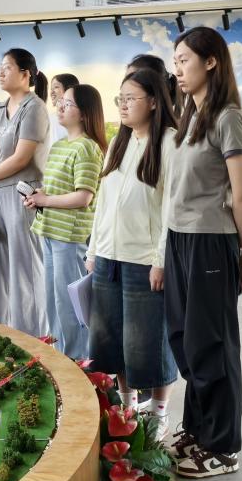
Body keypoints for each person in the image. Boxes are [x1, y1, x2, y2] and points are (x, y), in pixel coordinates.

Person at [163, 27, 242, 479]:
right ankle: (199, 429)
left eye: (185, 60)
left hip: (211, 240)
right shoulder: (190, 115)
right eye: (176, 61)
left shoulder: (227, 117)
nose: (178, 69)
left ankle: (222, 446)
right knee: (186, 340)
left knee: (212, 344)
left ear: (211, 62)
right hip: (180, 238)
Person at [86, 69, 179, 428]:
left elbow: (170, 207)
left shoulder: (169, 142)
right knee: (113, 341)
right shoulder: (118, 142)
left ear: (153, 101)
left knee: (149, 341)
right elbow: (103, 204)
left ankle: (159, 414)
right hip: (108, 256)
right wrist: (93, 250)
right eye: (119, 99)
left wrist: (161, 260)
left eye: (130, 99)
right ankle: (127, 409)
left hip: (144, 260)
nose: (122, 105)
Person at [26, 83, 106, 358]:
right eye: (61, 102)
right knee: (54, 300)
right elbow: (56, 190)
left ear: (84, 113)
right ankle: (61, 355)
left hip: (70, 237)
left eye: (68, 103)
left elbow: (83, 197)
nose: (60, 106)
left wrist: (45, 200)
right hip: (50, 231)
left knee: (71, 303)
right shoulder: (60, 145)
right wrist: (38, 196)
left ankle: (78, 360)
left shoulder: (87, 148)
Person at [0, 48, 51, 336]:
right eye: (0, 66)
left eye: (7, 67)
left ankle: (33, 337)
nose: (0, 71)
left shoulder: (35, 108)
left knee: (25, 270)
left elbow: (21, 158)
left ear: (25, 74)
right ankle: (4, 332)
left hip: (22, 198)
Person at [47, 73, 79, 143]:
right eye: (51, 89)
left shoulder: (77, 119)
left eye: (56, 87)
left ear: (68, 90)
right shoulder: (49, 119)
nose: (51, 92)